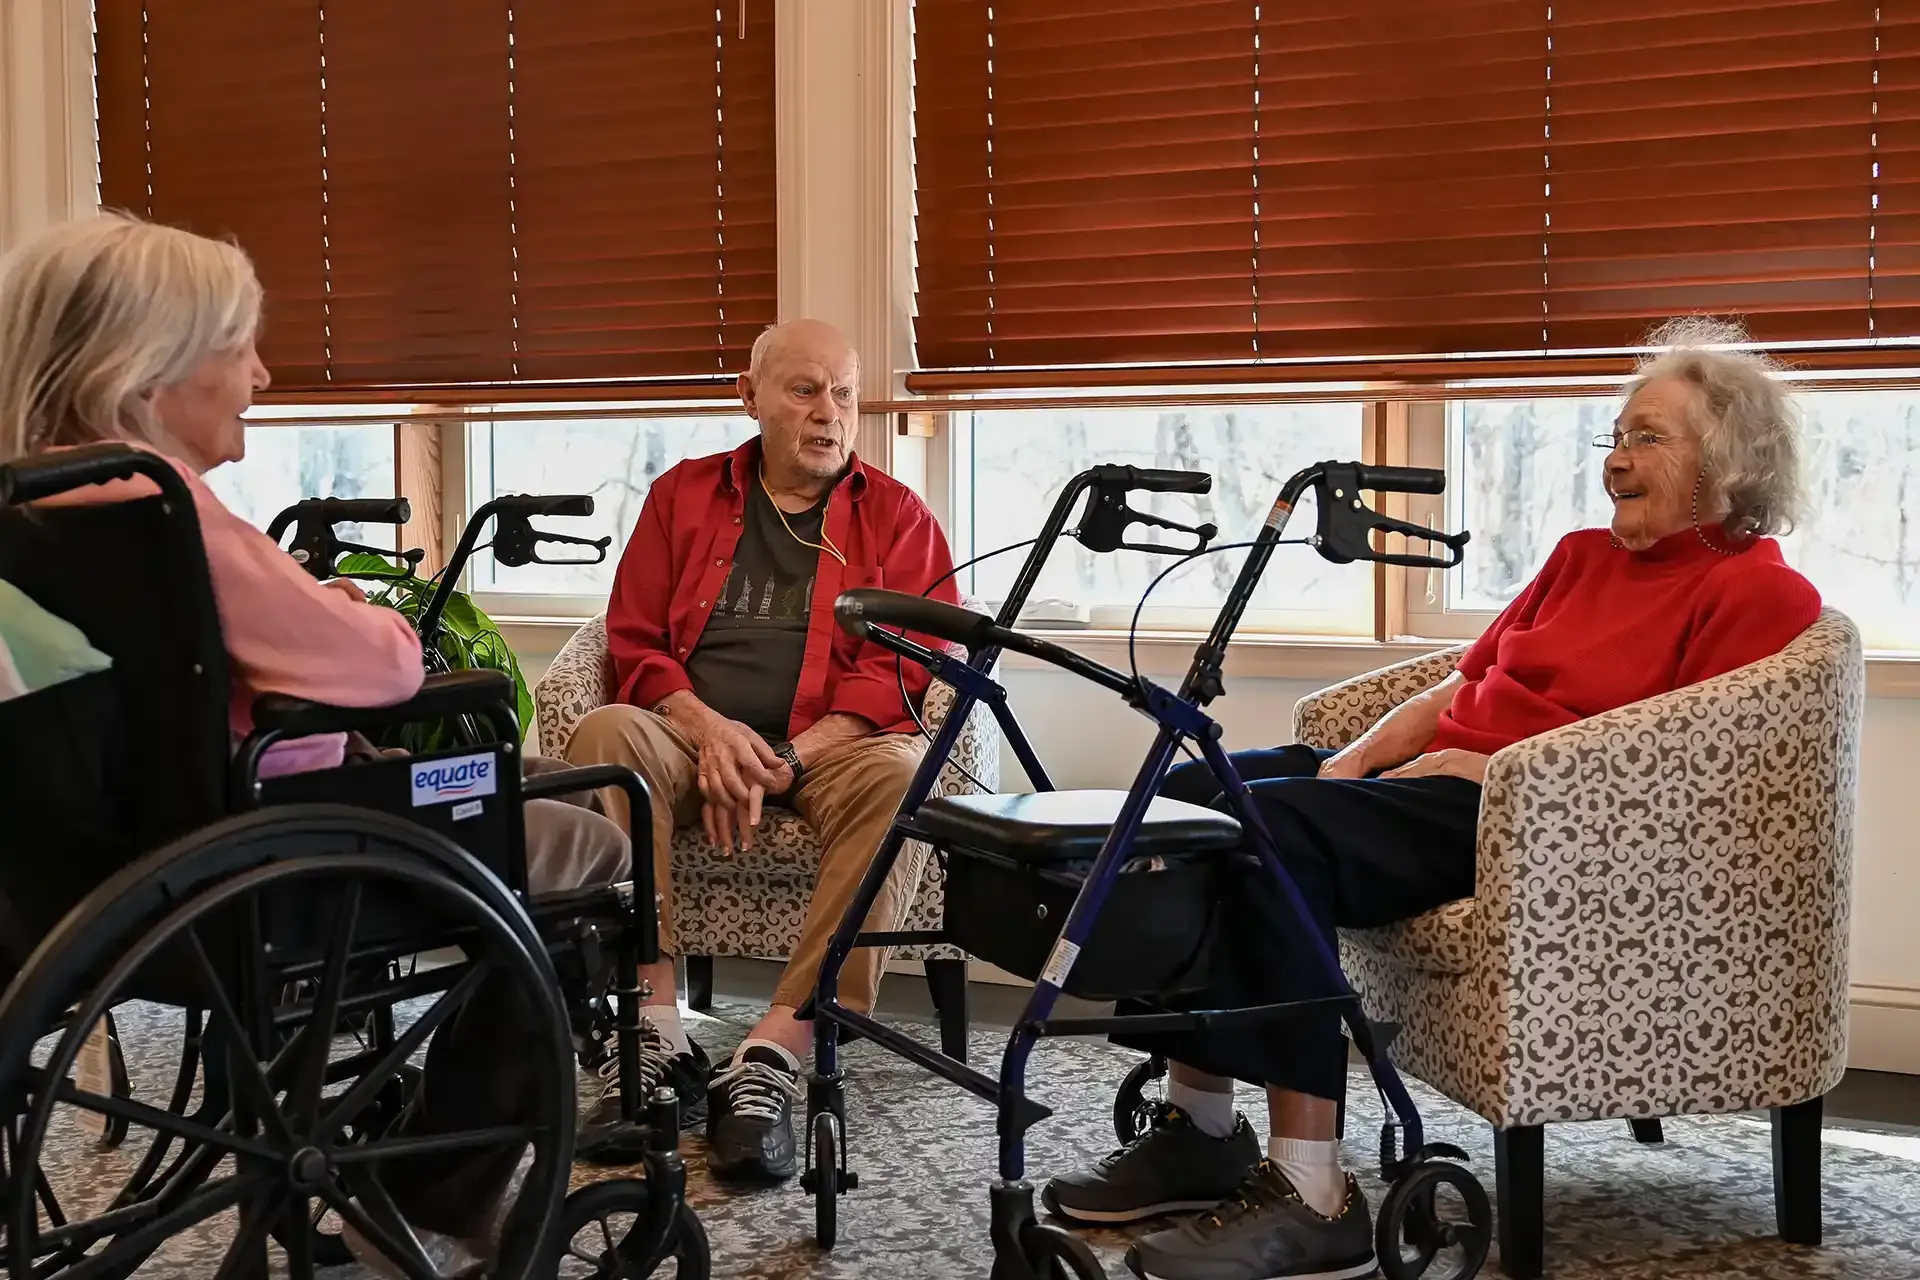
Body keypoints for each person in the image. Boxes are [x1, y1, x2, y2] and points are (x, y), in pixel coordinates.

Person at [1042, 318, 1823, 1280]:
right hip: (1438, 785)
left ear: (1732, 459)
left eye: (1647, 437)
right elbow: (1467, 681)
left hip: (1538, 829)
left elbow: (1683, 770)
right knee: (1192, 791)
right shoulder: (1581, 556)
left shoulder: (1757, 593)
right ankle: (1200, 1127)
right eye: (1613, 437)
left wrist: (1498, 777)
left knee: (1268, 836)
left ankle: (1313, 1189)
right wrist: (1353, 761)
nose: (1616, 459)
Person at [0, 212, 628, 1274]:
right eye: (240, 344)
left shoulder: (38, 504)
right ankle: (423, 1205)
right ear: (152, 371)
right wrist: (353, 611)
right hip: (280, 851)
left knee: (532, 786)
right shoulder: (166, 514)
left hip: (102, 863)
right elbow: (383, 668)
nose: (263, 370)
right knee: (591, 849)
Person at [564, 317, 959, 1182]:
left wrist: (790, 756)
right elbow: (632, 643)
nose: (830, 413)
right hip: (689, 733)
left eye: (844, 394)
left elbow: (905, 666)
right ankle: (655, 1022)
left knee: (900, 778)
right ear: (750, 398)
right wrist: (710, 732)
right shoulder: (681, 496)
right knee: (604, 736)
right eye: (806, 389)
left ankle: (780, 1046)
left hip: (833, 744)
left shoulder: (898, 517)